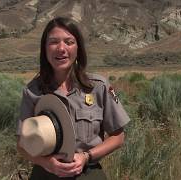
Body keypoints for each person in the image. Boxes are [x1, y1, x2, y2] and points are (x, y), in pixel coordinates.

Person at [16, 16, 130, 179]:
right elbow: (21, 144)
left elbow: (118, 137)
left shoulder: (98, 86)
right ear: (45, 48)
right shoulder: (32, 91)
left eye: (69, 42)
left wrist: (86, 157)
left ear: (78, 49)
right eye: (53, 42)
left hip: (88, 173)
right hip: (46, 173)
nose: (61, 48)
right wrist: (47, 163)